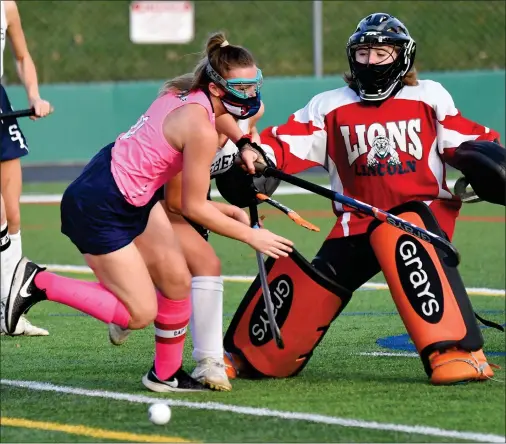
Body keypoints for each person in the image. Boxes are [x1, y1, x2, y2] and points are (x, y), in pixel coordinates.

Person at [4, 32, 293, 393]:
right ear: (218, 88)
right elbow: (191, 206)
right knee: (139, 314)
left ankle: (165, 375)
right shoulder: (200, 129)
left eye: (255, 85)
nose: (251, 95)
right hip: (101, 204)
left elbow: (220, 121)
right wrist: (252, 234)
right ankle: (37, 282)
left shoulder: (188, 92)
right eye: (243, 88)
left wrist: (245, 143)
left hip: (126, 189)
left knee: (176, 281)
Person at [227, 13, 503, 385]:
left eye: (380, 53)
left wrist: (486, 161)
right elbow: (288, 141)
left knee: (409, 247)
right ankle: (250, 354)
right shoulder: (329, 105)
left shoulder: (429, 96)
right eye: (363, 53)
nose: (370, 61)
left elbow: (464, 141)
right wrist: (258, 155)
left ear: (402, 57)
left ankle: (458, 353)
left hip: (418, 219)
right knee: (315, 282)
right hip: (355, 221)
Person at [108, 90, 272, 392]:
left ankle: (136, 305)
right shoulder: (198, 127)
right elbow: (176, 203)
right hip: (154, 200)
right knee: (204, 264)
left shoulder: (246, 122)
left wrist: (251, 169)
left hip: (193, 198)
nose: (242, 118)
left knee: (183, 273)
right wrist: (232, 215)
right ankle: (208, 361)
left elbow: (238, 170)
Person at [0, 0, 53, 336]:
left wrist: (34, 94)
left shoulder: (7, 6)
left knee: (12, 213)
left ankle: (10, 311)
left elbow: (21, 57)